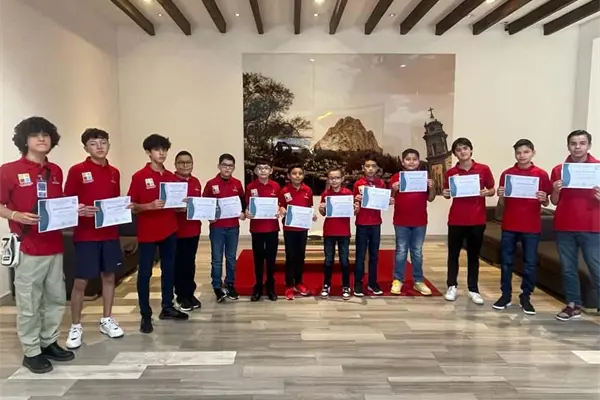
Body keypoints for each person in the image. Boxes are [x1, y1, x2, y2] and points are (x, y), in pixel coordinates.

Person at [0, 117, 76, 373]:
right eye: (35, 135)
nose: (42, 139)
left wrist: (74, 210)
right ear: (24, 140)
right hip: (28, 248)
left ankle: (49, 342)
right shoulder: (8, 170)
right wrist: (15, 215)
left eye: (46, 134)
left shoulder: (55, 171)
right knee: (29, 302)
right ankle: (31, 351)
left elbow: (58, 204)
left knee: (55, 298)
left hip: (54, 245)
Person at [64, 128, 125, 350]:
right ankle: (75, 326)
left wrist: (122, 208)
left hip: (109, 234)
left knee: (109, 277)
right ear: (86, 147)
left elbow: (114, 200)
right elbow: (67, 201)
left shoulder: (114, 172)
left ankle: (106, 319)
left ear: (108, 145)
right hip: (86, 235)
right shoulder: (77, 171)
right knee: (81, 282)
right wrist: (78, 209)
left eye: (103, 142)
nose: (99, 146)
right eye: (93, 143)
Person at [128, 134, 188, 334]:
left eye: (164, 149)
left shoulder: (171, 177)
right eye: (157, 149)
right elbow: (132, 206)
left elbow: (174, 204)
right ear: (148, 152)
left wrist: (181, 206)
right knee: (145, 273)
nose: (161, 153)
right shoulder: (139, 176)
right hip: (147, 232)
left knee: (169, 270)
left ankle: (167, 307)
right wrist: (149, 206)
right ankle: (145, 314)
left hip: (169, 229)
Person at [493, 139, 552, 315]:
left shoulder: (541, 174)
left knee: (530, 263)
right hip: (510, 224)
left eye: (526, 152)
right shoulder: (507, 174)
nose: (522, 156)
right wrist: (501, 194)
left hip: (531, 226)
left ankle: (526, 297)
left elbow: (546, 201)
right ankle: (505, 295)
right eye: (518, 152)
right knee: (506, 263)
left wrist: (544, 199)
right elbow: (503, 203)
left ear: (533, 153)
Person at [550, 130, 600, 321]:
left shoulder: (598, 168)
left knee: (596, 267)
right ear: (568, 146)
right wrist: (555, 190)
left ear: (589, 146)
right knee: (568, 268)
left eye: (582, 143)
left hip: (592, 226)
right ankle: (573, 304)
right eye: (573, 143)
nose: (577, 147)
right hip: (565, 226)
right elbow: (554, 201)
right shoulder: (559, 170)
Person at [442, 137, 495, 305]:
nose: (462, 152)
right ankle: (451, 286)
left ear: (471, 150)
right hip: (456, 219)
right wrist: (445, 193)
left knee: (473, 256)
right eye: (458, 150)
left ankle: (473, 289)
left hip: (477, 219)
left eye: (465, 148)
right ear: (455, 154)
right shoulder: (451, 172)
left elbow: (492, 189)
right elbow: (447, 192)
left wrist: (488, 192)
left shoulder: (483, 169)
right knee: (453, 255)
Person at [389, 149, 435, 296]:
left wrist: (432, 188)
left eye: (414, 159)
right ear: (403, 162)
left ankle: (418, 281)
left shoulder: (424, 177)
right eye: (408, 159)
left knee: (417, 252)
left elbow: (431, 198)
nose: (411, 162)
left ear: (419, 161)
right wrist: (393, 190)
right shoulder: (396, 177)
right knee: (401, 251)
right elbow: (390, 199)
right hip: (401, 221)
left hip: (420, 221)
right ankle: (398, 280)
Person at [203, 153, 246, 303]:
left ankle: (230, 284)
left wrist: (243, 213)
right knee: (217, 259)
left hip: (233, 227)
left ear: (233, 168)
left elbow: (243, 202)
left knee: (231, 258)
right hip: (217, 227)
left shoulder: (237, 184)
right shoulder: (211, 184)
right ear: (219, 166)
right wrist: (210, 216)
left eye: (230, 166)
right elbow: (205, 204)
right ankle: (217, 286)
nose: (227, 168)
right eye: (224, 165)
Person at [279, 164, 317, 300]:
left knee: (301, 256)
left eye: (300, 173)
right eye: (294, 173)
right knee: (290, 256)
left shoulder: (308, 190)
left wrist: (312, 215)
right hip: (289, 229)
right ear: (289, 176)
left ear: (303, 175)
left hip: (302, 229)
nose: (297, 176)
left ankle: (299, 282)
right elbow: (280, 206)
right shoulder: (284, 191)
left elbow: (309, 207)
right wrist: (281, 209)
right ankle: (289, 285)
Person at [245, 159, 280, 302]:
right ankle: (258, 285)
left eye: (266, 168)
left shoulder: (276, 186)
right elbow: (247, 206)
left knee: (271, 259)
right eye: (260, 168)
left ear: (271, 171)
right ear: (255, 171)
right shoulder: (250, 187)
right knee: (258, 259)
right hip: (257, 228)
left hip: (272, 228)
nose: (263, 170)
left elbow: (281, 205)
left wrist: (280, 210)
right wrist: (247, 212)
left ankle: (270, 285)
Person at [353, 154, 387, 297]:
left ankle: (373, 282)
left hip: (376, 223)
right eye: (368, 166)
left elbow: (383, 202)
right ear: (363, 168)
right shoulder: (358, 184)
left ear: (377, 168)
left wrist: (388, 200)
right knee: (360, 254)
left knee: (374, 255)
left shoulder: (381, 184)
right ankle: (358, 282)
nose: (371, 169)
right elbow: (354, 207)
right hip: (362, 223)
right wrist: (356, 200)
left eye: (373, 166)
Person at [318, 168, 354, 300]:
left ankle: (346, 285)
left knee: (344, 261)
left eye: (337, 178)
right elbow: (323, 213)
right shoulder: (325, 194)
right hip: (329, 231)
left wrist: (355, 208)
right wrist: (321, 209)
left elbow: (353, 211)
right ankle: (326, 285)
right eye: (331, 178)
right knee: (328, 260)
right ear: (328, 179)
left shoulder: (348, 193)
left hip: (344, 232)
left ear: (342, 179)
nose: (334, 180)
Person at [173, 151, 202, 312]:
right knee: (179, 264)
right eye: (181, 162)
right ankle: (181, 295)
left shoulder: (196, 182)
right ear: (175, 164)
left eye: (188, 162)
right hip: (176, 230)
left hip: (193, 229)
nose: (185, 165)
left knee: (190, 262)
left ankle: (190, 293)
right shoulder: (170, 182)